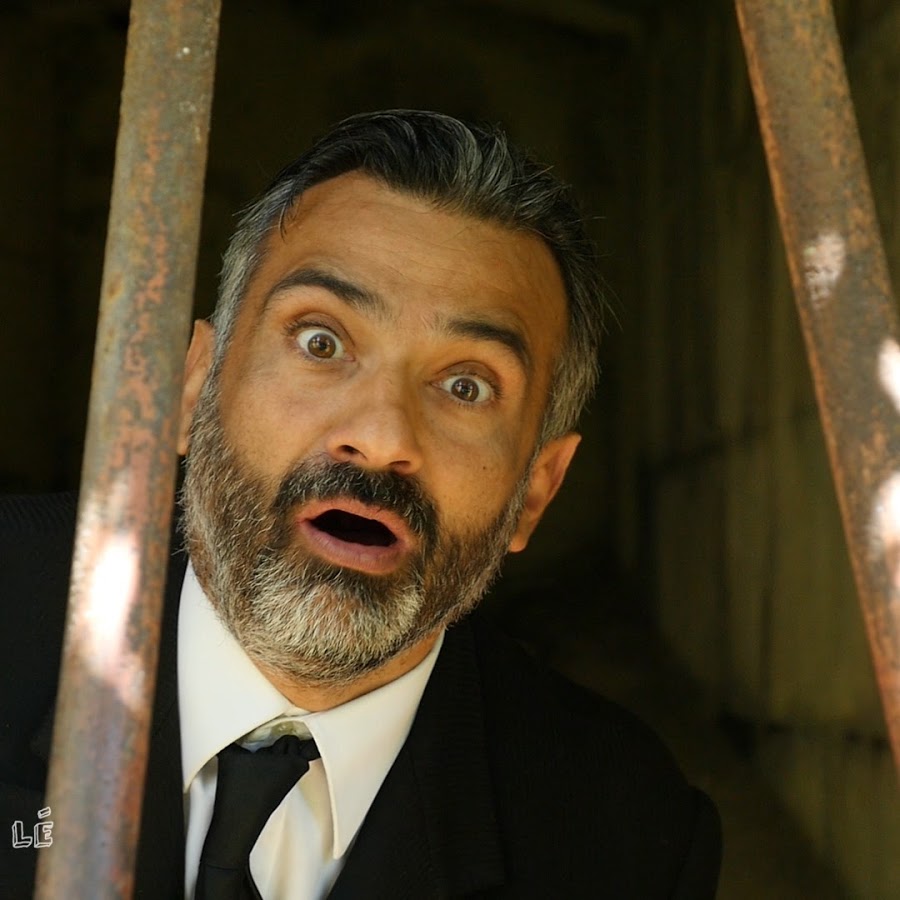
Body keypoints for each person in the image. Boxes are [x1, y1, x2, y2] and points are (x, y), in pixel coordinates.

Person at [1, 110, 721, 898]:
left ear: (536, 490)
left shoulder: (621, 837)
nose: (380, 438)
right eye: (321, 341)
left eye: (466, 386)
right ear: (194, 383)